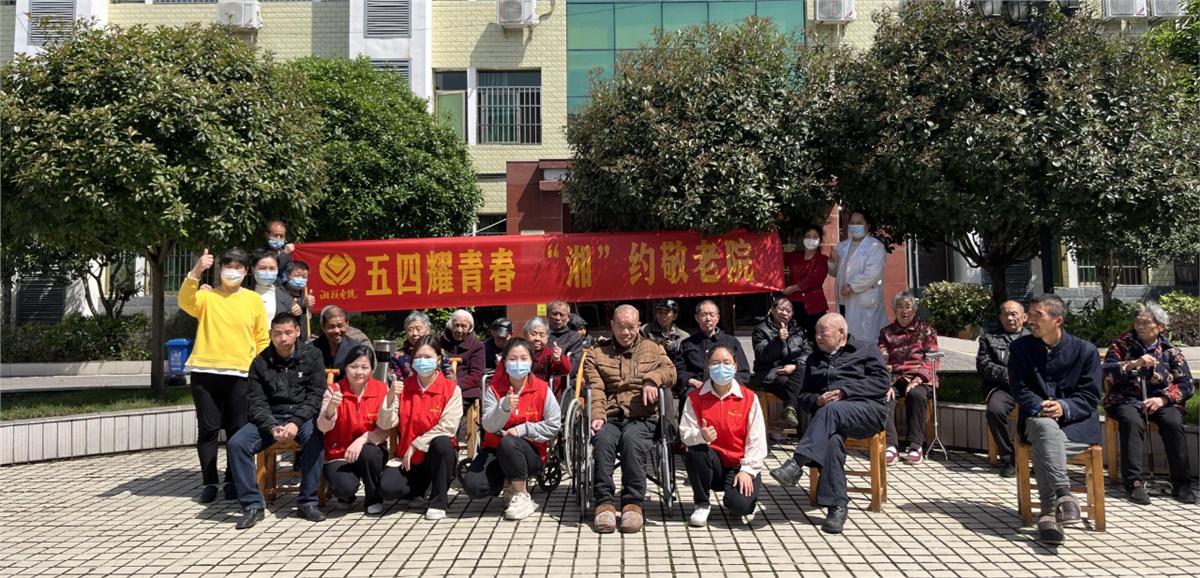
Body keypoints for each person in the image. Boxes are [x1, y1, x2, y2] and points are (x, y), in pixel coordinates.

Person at [769, 313, 889, 535]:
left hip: (867, 412)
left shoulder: (866, 349)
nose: (817, 336)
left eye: (822, 331)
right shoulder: (814, 359)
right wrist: (817, 400)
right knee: (831, 440)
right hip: (830, 419)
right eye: (816, 332)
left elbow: (882, 382)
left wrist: (846, 391)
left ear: (841, 333)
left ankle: (796, 463)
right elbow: (803, 396)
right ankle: (837, 508)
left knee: (831, 410)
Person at [1008, 294, 1102, 546]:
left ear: (1057, 320)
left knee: (1046, 443)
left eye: (1037, 315)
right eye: (1029, 314)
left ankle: (1048, 514)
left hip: (1076, 425)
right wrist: (1042, 406)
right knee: (1045, 427)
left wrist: (1064, 407)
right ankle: (1063, 494)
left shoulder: (1085, 351)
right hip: (1036, 418)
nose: (1030, 320)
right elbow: (1019, 388)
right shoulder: (1020, 348)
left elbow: (1090, 395)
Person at [178, 248, 269, 504]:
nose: (233, 271)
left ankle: (232, 480)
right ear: (219, 269)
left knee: (236, 430)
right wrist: (197, 271)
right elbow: (185, 301)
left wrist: (261, 370)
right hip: (204, 371)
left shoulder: (253, 300)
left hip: (240, 373)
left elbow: (261, 337)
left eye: (239, 267)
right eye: (228, 266)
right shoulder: (207, 296)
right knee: (208, 429)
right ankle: (209, 482)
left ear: (247, 271)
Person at [226, 312, 327, 529]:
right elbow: (256, 402)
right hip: (270, 418)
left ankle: (307, 502)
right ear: (271, 334)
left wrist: (296, 422)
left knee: (315, 439)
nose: (283, 338)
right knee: (236, 444)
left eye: (288, 332)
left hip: (302, 417)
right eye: (278, 333)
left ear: (297, 332)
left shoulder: (312, 355)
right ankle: (252, 505)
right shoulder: (260, 362)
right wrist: (271, 426)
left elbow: (316, 396)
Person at [586, 305, 677, 533]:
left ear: (638, 326)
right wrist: (597, 415)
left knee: (632, 441)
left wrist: (653, 379)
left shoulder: (653, 348)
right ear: (612, 325)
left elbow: (671, 372)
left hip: (643, 416)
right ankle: (604, 503)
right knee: (602, 441)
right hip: (610, 414)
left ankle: (633, 504)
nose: (625, 332)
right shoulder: (596, 354)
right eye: (620, 327)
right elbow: (596, 389)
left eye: (630, 327)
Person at [1101, 303, 1195, 505]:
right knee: (1131, 421)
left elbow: (1187, 384)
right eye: (1137, 322)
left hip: (1161, 399)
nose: (1140, 326)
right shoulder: (1121, 344)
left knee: (1172, 423)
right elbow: (1107, 369)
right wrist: (1133, 364)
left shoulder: (1171, 351)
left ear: (1161, 327)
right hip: (1126, 397)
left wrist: (1164, 399)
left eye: (1146, 323)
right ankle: (1133, 482)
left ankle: (1182, 483)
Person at [463, 338, 562, 520]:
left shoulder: (542, 389)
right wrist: (504, 406)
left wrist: (522, 430)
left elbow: (554, 425)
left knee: (509, 442)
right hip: (494, 449)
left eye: (524, 359)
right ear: (504, 362)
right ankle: (508, 483)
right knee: (474, 487)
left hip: (529, 452)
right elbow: (488, 425)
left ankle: (522, 494)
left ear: (531, 362)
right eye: (512, 359)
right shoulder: (494, 389)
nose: (518, 363)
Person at [679, 345, 767, 527]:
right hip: (711, 464)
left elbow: (757, 440)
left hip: (738, 464)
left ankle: (734, 497)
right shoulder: (695, 397)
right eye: (715, 363)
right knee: (696, 451)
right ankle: (702, 504)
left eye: (726, 363)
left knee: (740, 507)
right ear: (708, 367)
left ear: (735, 367)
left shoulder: (749, 398)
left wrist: (748, 470)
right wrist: (701, 436)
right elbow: (685, 434)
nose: (721, 367)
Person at [377, 335, 463, 521]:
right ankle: (419, 490)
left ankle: (438, 502)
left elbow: (448, 427)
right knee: (387, 489)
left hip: (434, 456)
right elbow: (385, 424)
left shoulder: (451, 389)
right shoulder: (403, 387)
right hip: (407, 458)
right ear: (412, 361)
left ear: (438, 360)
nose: (423, 361)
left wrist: (417, 444)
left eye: (428, 357)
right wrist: (390, 397)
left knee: (442, 443)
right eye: (418, 357)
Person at [318, 344, 390, 516]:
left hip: (370, 449)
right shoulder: (334, 390)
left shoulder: (382, 389)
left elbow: (386, 428)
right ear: (346, 367)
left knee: (369, 453)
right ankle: (347, 495)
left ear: (372, 370)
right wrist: (331, 408)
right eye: (354, 366)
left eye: (364, 367)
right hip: (339, 453)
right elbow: (322, 427)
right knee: (343, 487)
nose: (359, 372)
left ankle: (373, 498)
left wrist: (363, 439)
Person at [878, 291, 939, 465]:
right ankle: (891, 445)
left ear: (914, 310)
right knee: (884, 396)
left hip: (920, 378)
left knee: (916, 394)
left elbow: (933, 358)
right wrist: (885, 383)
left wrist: (918, 379)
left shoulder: (926, 330)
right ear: (894, 310)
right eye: (900, 307)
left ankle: (916, 445)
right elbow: (881, 360)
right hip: (894, 377)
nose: (904, 311)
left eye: (908, 307)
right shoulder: (886, 333)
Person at [976, 300, 1030, 478]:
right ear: (1000, 318)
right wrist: (1008, 375)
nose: (1010, 318)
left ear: (1024, 317)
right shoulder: (989, 339)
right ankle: (1009, 458)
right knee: (994, 410)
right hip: (1002, 387)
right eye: (1006, 314)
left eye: (1014, 314)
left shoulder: (1035, 339)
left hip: (1029, 388)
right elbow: (983, 365)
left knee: (1041, 411)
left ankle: (1038, 457)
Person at [751, 296, 811, 433]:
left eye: (788, 311)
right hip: (771, 373)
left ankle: (791, 408)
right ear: (772, 310)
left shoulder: (797, 329)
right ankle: (806, 438)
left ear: (792, 314)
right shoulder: (760, 330)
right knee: (803, 394)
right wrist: (778, 341)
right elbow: (762, 356)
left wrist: (794, 366)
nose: (785, 313)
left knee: (802, 375)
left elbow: (808, 352)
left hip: (795, 372)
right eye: (781, 309)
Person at [828, 211, 888, 342]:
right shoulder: (842, 246)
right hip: (843, 299)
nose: (855, 226)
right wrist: (832, 261)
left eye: (859, 223)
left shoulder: (875, 246)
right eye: (852, 223)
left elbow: (873, 273)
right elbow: (834, 272)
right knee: (845, 335)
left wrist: (852, 286)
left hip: (864, 300)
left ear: (868, 225)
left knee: (865, 338)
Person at [676, 300, 750, 401]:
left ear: (717, 318)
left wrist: (725, 384)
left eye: (712, 315)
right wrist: (693, 382)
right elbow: (679, 371)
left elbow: (743, 372)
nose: (708, 319)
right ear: (697, 318)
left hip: (726, 387)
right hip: (696, 388)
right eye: (703, 315)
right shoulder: (687, 343)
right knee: (689, 397)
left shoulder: (731, 342)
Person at [782, 225, 831, 340]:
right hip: (794, 303)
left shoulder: (822, 260)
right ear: (803, 239)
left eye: (814, 237)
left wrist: (793, 288)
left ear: (820, 240)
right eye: (808, 236)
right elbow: (776, 260)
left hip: (814, 305)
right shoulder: (795, 256)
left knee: (817, 337)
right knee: (794, 337)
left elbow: (814, 280)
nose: (811, 239)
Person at [440, 309, 486, 407]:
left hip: (465, 390)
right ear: (450, 325)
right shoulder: (439, 342)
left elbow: (476, 375)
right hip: (440, 387)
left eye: (464, 326)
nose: (459, 330)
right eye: (456, 325)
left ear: (470, 328)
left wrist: (455, 384)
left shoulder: (477, 346)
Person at [524, 316, 571, 397]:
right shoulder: (520, 350)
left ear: (547, 337)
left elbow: (567, 370)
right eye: (533, 334)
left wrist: (559, 359)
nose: (537, 338)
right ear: (526, 335)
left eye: (542, 335)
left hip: (542, 394)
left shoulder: (549, 353)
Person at [313, 306, 360, 379]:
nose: (336, 331)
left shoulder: (355, 349)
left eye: (340, 326)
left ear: (347, 323)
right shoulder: (312, 349)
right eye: (331, 326)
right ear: (323, 326)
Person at [249, 250, 293, 324]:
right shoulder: (241, 295)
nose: (267, 272)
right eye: (262, 268)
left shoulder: (286, 299)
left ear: (277, 270)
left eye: (272, 268)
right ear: (253, 270)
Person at [281, 261, 317, 341]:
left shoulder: (305, 295)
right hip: (285, 339)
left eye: (304, 276)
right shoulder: (279, 293)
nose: (301, 279)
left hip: (303, 340)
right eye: (297, 275)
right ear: (287, 275)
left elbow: (307, 319)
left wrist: (308, 308)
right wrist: (302, 304)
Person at [546, 300, 585, 370]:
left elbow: (573, 366)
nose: (558, 318)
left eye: (562, 315)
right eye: (554, 314)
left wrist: (560, 359)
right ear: (547, 315)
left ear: (568, 318)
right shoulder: (540, 335)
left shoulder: (574, 338)